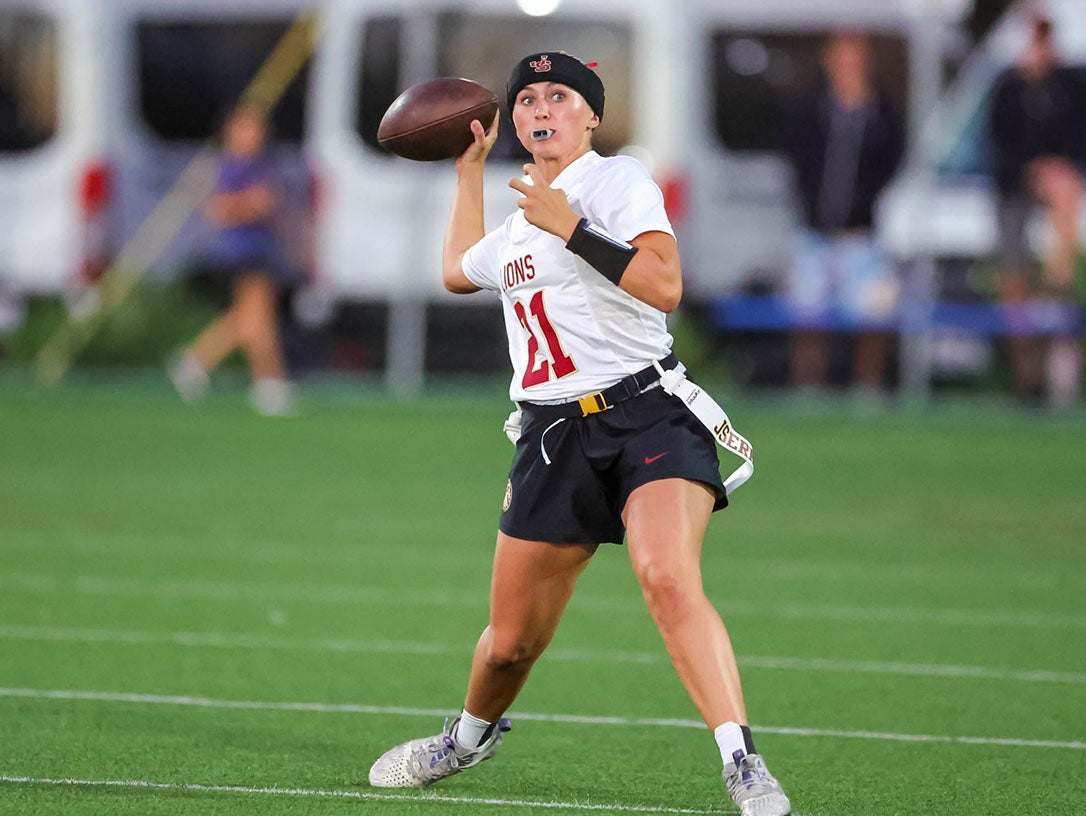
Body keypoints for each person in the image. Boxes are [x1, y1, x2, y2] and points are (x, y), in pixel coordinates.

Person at [367, 52, 791, 816]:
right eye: (527, 97)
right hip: (552, 437)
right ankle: (467, 738)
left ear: (591, 115)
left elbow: (665, 284)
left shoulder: (617, 182)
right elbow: (458, 271)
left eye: (559, 95)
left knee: (667, 577)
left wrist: (573, 228)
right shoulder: (517, 222)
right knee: (509, 644)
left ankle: (742, 761)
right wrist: (469, 172)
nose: (541, 108)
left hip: (646, 413)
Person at [783, 30, 904, 401]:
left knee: (872, 315)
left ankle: (866, 390)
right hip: (814, 233)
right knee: (807, 316)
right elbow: (796, 159)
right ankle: (808, 390)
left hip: (860, 234)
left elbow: (891, 165)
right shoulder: (812, 110)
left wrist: (864, 206)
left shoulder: (881, 114)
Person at [988, 15, 1086, 405]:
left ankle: (1056, 357)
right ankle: (1025, 369)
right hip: (1016, 192)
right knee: (1014, 278)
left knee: (1058, 267)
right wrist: (1031, 172)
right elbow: (999, 142)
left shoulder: (1071, 88)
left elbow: (1080, 143)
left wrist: (1053, 171)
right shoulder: (1008, 88)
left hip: (1055, 195)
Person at [167, 105, 294, 416]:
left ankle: (196, 362)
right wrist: (250, 204)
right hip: (242, 252)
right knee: (258, 320)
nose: (255, 134)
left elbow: (266, 203)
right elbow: (222, 208)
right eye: (247, 128)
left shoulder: (258, 165)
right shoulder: (233, 167)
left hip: (259, 250)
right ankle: (268, 383)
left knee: (248, 320)